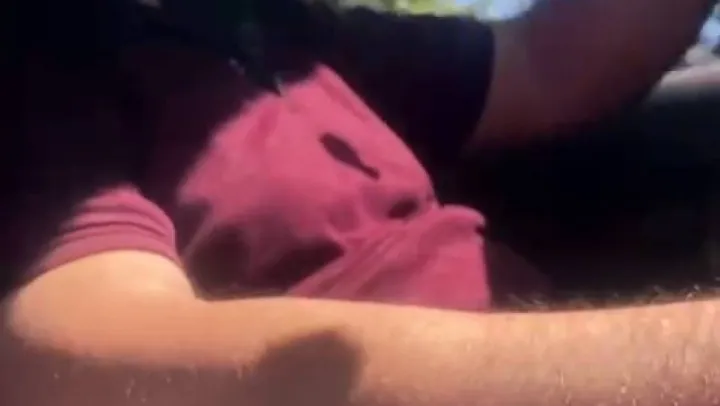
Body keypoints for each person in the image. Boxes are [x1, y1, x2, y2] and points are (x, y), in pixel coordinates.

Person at [1, 0, 718, 405]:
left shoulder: (267, 29)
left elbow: (544, 66)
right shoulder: (44, 45)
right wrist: (679, 364)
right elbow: (75, 365)